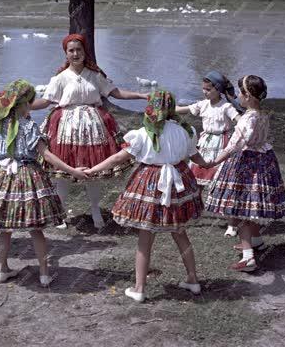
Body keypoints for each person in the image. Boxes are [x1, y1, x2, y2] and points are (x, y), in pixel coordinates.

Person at [84, 90, 205, 302]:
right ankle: (193, 280)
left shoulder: (142, 133)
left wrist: (93, 170)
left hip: (150, 183)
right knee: (180, 232)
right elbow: (196, 157)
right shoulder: (186, 131)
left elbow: (118, 158)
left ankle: (139, 288)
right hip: (178, 181)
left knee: (145, 238)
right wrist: (213, 162)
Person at [0, 79, 88, 286]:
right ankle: (44, 274)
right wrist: (73, 170)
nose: (31, 106)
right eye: (29, 102)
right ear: (22, 105)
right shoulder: (29, 127)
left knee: (4, 228)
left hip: (0, 175)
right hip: (28, 177)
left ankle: (2, 270)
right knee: (35, 228)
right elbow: (47, 156)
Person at [31, 34, 147, 229]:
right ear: (66, 54)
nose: (75, 54)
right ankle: (60, 212)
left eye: (79, 50)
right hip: (66, 130)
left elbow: (115, 92)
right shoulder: (60, 78)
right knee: (62, 172)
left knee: (94, 170)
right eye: (71, 50)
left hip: (94, 129)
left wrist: (142, 95)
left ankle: (95, 210)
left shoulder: (95, 75)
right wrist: (22, 106)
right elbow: (46, 101)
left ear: (85, 52)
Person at [203, 75, 285, 272]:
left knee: (240, 208)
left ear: (248, 96)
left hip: (245, 164)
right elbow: (250, 127)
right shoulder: (262, 114)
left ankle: (248, 257)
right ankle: (256, 240)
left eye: (240, 93)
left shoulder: (246, 120)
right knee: (251, 205)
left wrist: (213, 162)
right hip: (263, 160)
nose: (238, 96)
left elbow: (234, 145)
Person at [176, 71, 243, 237]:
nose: (204, 92)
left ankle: (232, 224)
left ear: (217, 89)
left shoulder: (226, 107)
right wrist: (164, 107)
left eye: (207, 89)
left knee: (224, 184)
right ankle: (194, 212)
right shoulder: (202, 104)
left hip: (222, 145)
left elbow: (240, 121)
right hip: (204, 147)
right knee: (196, 183)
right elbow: (180, 109)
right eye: (203, 89)